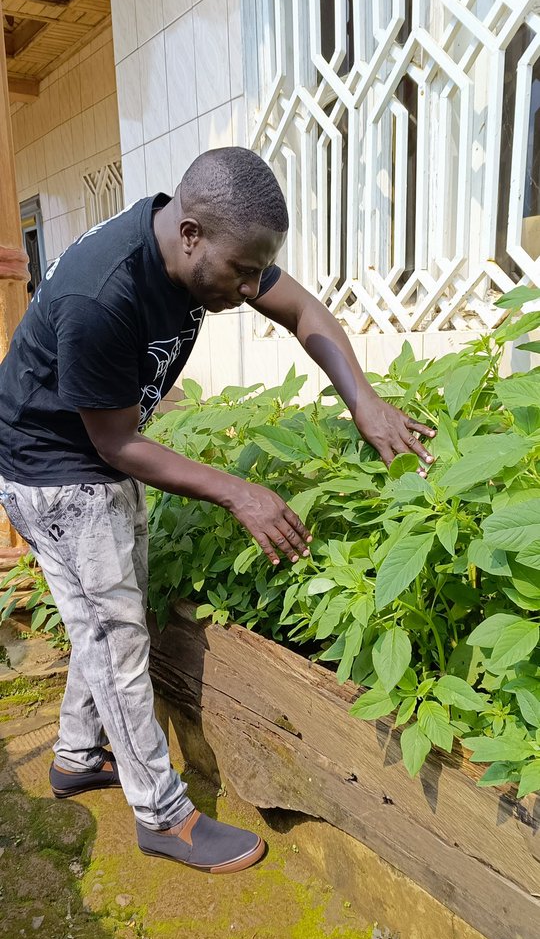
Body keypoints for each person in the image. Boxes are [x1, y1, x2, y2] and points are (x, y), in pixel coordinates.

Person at [0, 148, 435, 875]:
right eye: (241, 272)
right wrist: (238, 490)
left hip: (98, 450)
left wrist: (364, 399)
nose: (249, 288)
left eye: (257, 271)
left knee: (113, 618)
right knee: (115, 637)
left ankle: (76, 756)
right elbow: (116, 444)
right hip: (57, 467)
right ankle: (162, 816)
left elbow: (300, 309)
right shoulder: (101, 293)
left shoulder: (211, 244)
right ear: (192, 233)